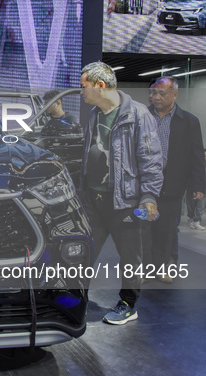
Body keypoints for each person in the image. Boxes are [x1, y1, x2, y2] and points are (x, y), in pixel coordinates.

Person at [79, 62, 163, 325]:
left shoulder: (138, 115)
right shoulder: (94, 114)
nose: (82, 92)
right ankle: (76, 299)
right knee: (84, 253)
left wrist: (148, 197)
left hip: (125, 201)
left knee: (130, 257)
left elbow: (151, 161)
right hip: (94, 199)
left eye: (84, 87)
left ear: (100, 86)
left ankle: (128, 304)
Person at [146, 77, 205, 282]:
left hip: (173, 183)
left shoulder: (189, 121)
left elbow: (197, 156)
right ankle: (144, 267)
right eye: (154, 92)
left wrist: (198, 185)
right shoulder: (142, 116)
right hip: (144, 185)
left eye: (162, 93)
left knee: (167, 227)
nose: (157, 97)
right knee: (144, 227)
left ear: (175, 95)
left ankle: (165, 265)